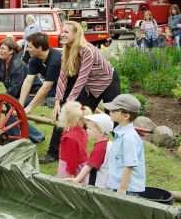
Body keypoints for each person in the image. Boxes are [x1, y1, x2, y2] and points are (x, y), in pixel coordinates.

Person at [40, 21, 120, 164]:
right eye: (62, 31)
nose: (62, 34)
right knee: (69, 115)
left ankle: (121, 151)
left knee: (112, 118)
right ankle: (54, 153)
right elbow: (62, 79)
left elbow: (81, 80)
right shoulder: (65, 50)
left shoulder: (87, 50)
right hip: (91, 86)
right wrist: (58, 102)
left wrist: (68, 104)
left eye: (66, 32)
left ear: (76, 34)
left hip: (108, 83)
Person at [0, 37, 45, 143]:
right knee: (15, 113)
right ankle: (38, 136)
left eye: (2, 49)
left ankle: (13, 141)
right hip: (19, 93)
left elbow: (14, 87)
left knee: (12, 111)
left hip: (32, 93)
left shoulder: (18, 65)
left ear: (11, 51)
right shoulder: (0, 62)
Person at [18, 32, 61, 143]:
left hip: (71, 87)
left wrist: (30, 107)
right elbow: (28, 81)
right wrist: (21, 104)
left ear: (39, 48)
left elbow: (46, 87)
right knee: (56, 113)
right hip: (56, 88)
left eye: (30, 47)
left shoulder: (55, 60)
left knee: (61, 118)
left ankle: (54, 151)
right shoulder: (34, 59)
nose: (27, 49)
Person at [104, 94, 145, 196]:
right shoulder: (119, 133)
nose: (110, 112)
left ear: (126, 116)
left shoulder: (129, 138)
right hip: (117, 186)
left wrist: (122, 188)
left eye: (113, 110)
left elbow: (129, 165)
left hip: (127, 190)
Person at [64, 113, 113, 188]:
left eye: (89, 128)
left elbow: (88, 166)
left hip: (97, 187)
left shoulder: (100, 148)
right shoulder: (109, 144)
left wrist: (76, 179)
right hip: (106, 184)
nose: (86, 130)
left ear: (101, 132)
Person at [56, 101, 92, 179]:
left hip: (70, 169)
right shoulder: (82, 131)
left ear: (68, 120)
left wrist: (71, 175)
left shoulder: (70, 138)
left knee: (66, 188)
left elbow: (71, 158)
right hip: (82, 166)